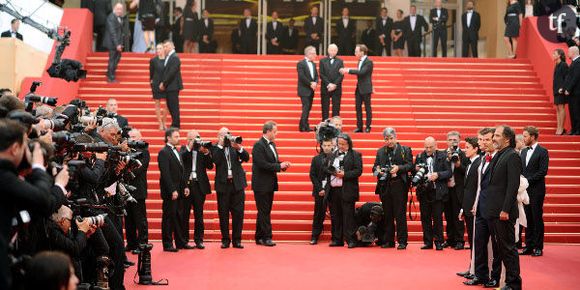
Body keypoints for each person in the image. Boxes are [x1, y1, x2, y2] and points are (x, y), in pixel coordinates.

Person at [0, 119, 67, 290]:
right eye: (24, 146)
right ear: (15, 148)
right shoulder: (5, 175)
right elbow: (42, 201)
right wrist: (38, 167)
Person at [485, 125, 523, 289]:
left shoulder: (512, 156)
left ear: (507, 138)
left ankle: (514, 283)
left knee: (508, 248)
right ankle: (509, 281)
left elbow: (513, 186)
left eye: (497, 136)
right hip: (494, 211)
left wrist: (506, 209)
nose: (494, 138)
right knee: (501, 249)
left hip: (503, 212)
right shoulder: (499, 155)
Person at [464, 128, 502, 287]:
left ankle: (495, 277)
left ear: (494, 139)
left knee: (496, 246)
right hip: (480, 208)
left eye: (487, 139)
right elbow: (479, 186)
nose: (483, 142)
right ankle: (480, 275)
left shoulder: (500, 158)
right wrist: (475, 204)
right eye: (481, 139)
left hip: (494, 209)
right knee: (479, 244)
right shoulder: (482, 159)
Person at [372, 127, 413, 249]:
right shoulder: (380, 152)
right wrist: (378, 172)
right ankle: (389, 240)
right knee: (388, 214)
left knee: (400, 214)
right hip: (385, 186)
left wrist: (398, 168)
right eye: (386, 139)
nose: (389, 141)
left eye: (391, 138)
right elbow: (373, 169)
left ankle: (402, 241)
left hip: (399, 185)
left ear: (395, 137)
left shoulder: (405, 150)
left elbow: (410, 165)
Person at [252, 121, 291, 246]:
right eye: (274, 131)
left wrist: (282, 165)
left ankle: (259, 237)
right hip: (261, 184)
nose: (276, 134)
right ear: (268, 131)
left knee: (264, 211)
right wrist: (279, 166)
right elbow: (262, 164)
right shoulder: (258, 145)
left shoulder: (272, 145)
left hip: (269, 183)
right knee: (264, 211)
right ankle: (267, 237)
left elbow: (273, 161)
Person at [212, 127, 249, 249]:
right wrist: (221, 144)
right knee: (223, 213)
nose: (227, 136)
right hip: (223, 185)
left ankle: (237, 240)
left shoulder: (234, 147)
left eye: (229, 134)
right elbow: (215, 160)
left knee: (238, 213)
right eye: (224, 135)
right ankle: (225, 240)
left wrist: (239, 147)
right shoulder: (215, 148)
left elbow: (246, 157)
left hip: (237, 184)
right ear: (218, 136)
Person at [414, 136, 451, 250]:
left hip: (437, 191)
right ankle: (428, 242)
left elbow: (449, 172)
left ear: (436, 145)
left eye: (430, 147)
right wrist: (416, 169)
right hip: (424, 191)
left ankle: (439, 241)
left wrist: (438, 175)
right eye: (426, 147)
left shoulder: (443, 156)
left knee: (437, 218)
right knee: (425, 218)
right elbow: (414, 172)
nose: (428, 150)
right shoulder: (420, 156)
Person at [328, 134, 363, 248]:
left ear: (349, 143)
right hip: (334, 189)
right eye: (339, 144)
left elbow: (358, 171)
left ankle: (351, 239)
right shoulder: (333, 154)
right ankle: (337, 239)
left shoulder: (355, 155)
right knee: (336, 214)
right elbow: (327, 167)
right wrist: (332, 170)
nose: (341, 146)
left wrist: (345, 174)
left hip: (348, 189)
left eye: (344, 144)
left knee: (348, 215)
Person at [180, 130, 213, 249]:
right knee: (185, 214)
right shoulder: (184, 149)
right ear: (188, 139)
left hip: (199, 186)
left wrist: (206, 153)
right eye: (194, 138)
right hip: (187, 185)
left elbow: (210, 166)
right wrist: (190, 147)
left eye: (198, 138)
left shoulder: (202, 150)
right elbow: (182, 159)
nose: (197, 140)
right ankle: (184, 240)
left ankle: (199, 240)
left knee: (199, 215)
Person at [520, 126, 549, 257]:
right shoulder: (523, 152)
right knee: (528, 218)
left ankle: (538, 246)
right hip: (525, 190)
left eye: (525, 136)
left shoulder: (543, 151)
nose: (523, 138)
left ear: (532, 137)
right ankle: (529, 245)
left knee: (536, 217)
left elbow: (543, 171)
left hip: (536, 189)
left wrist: (527, 180)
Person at [158, 128, 188, 252]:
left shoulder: (178, 151)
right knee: (169, 217)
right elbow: (165, 174)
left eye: (178, 136)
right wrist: (172, 190)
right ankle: (168, 243)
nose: (178, 138)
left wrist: (185, 186)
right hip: (171, 192)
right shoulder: (163, 152)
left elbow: (182, 171)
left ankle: (180, 242)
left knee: (179, 217)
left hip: (180, 190)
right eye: (176, 136)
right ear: (168, 138)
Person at [456, 136, 482, 278]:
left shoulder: (478, 163)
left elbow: (478, 188)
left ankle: (476, 270)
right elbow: (467, 188)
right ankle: (472, 268)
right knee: (472, 240)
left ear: (475, 149)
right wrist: (462, 208)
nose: (464, 150)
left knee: (476, 240)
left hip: (474, 208)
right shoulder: (470, 163)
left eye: (467, 148)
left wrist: (473, 206)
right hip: (468, 207)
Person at [125, 129, 150, 254]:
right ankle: (131, 243)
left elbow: (139, 169)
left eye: (135, 137)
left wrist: (126, 171)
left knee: (140, 219)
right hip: (125, 190)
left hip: (138, 190)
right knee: (128, 219)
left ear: (140, 138)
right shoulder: (125, 151)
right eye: (130, 137)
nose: (132, 139)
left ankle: (142, 243)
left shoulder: (144, 152)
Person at [340, 44, 373, 133]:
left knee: (367, 108)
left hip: (366, 88)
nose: (355, 53)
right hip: (359, 88)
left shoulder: (369, 62)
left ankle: (368, 126)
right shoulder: (360, 61)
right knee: (358, 107)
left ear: (362, 52)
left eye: (356, 51)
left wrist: (348, 70)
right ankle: (359, 126)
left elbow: (362, 72)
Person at [443, 131, 467, 250]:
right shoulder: (442, 154)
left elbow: (467, 171)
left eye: (455, 140)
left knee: (458, 216)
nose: (453, 142)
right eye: (451, 140)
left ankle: (459, 240)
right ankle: (450, 239)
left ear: (459, 141)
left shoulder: (464, 154)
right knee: (448, 215)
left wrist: (458, 164)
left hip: (458, 189)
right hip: (446, 189)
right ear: (447, 141)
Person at [309, 138, 334, 245]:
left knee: (335, 213)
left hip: (333, 190)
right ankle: (315, 236)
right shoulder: (316, 159)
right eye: (325, 145)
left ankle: (336, 236)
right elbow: (312, 175)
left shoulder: (336, 158)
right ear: (321, 146)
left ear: (332, 146)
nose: (327, 147)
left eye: (329, 145)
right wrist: (320, 189)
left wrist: (328, 188)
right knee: (318, 213)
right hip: (319, 190)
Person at [160, 40, 183, 129]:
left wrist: (164, 83)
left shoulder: (174, 57)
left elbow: (171, 73)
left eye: (167, 46)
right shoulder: (169, 57)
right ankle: (174, 123)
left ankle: (176, 124)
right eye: (164, 46)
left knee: (173, 105)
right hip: (170, 86)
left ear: (172, 46)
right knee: (170, 105)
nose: (165, 48)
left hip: (173, 86)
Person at [103, 3, 127, 83]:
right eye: (118, 9)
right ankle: (111, 77)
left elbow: (119, 31)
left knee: (117, 58)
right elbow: (112, 32)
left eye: (121, 9)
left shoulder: (119, 17)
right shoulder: (111, 17)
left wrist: (120, 43)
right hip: (112, 43)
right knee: (112, 60)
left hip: (117, 43)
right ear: (114, 8)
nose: (120, 11)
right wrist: (117, 44)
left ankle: (110, 72)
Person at [319, 44, 344, 120]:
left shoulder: (340, 61)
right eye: (331, 50)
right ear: (328, 50)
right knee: (325, 107)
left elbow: (341, 75)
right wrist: (328, 84)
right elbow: (321, 74)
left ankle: (335, 125)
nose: (333, 52)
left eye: (334, 50)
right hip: (325, 87)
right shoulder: (322, 61)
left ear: (337, 51)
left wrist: (334, 85)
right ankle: (325, 124)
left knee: (336, 108)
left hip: (336, 88)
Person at [297, 46, 318, 132]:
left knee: (308, 108)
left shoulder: (313, 64)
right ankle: (302, 126)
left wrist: (315, 82)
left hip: (311, 90)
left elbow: (316, 75)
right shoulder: (300, 63)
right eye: (314, 53)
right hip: (304, 89)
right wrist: (310, 83)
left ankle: (306, 125)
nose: (315, 55)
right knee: (306, 107)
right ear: (309, 54)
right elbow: (301, 76)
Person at [560, 46, 580, 135]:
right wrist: (564, 88)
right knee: (572, 111)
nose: (567, 54)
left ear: (573, 52)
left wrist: (568, 89)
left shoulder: (578, 62)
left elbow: (575, 78)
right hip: (572, 92)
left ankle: (578, 130)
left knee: (576, 111)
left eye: (568, 52)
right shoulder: (573, 62)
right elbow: (569, 77)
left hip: (576, 92)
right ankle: (574, 129)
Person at [150, 43, 168, 130]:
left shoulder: (168, 59)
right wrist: (152, 83)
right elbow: (151, 73)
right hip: (156, 83)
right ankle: (160, 123)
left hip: (166, 84)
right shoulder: (153, 60)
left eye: (160, 48)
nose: (158, 50)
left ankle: (164, 121)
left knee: (167, 104)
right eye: (157, 49)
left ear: (164, 49)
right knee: (157, 103)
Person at [553, 49, 568, 135]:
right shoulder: (557, 65)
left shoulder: (563, 65)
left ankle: (561, 128)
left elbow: (567, 78)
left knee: (561, 108)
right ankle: (559, 127)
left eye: (554, 54)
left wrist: (563, 88)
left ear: (559, 55)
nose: (553, 55)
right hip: (556, 90)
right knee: (558, 109)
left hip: (561, 90)